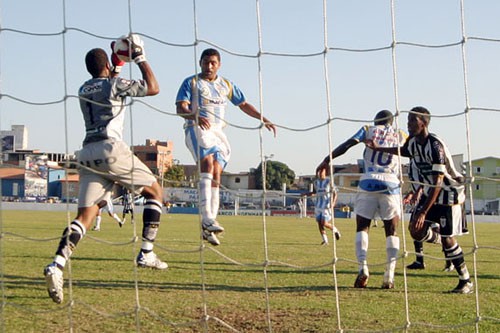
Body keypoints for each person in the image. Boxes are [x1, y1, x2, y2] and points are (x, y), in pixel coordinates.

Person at [43, 35, 167, 304]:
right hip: (111, 150)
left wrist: (117, 60)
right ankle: (146, 252)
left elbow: (108, 79)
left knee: (85, 216)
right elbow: (154, 88)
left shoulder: (83, 88)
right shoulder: (113, 85)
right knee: (156, 190)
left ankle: (57, 265)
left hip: (87, 154)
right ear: (107, 68)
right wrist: (139, 57)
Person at [176, 48, 277, 246]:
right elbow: (180, 107)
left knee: (217, 172)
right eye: (206, 62)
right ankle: (206, 218)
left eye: (213, 62)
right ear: (200, 63)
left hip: (219, 133)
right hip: (196, 127)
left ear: (219, 64)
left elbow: (243, 104)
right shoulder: (192, 82)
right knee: (207, 164)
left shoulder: (226, 85)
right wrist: (193, 115)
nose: (209, 66)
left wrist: (262, 118)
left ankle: (209, 225)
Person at [366, 106, 472, 294]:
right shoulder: (413, 142)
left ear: (423, 123)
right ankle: (439, 239)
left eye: (412, 121)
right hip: (430, 193)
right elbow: (404, 151)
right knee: (415, 230)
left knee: (449, 239)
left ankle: (465, 281)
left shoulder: (435, 146)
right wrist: (378, 147)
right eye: (408, 120)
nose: (408, 124)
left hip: (448, 195)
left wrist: (423, 210)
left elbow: (438, 182)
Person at [316, 110, 405, 289]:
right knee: (391, 230)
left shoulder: (367, 129)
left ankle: (363, 267)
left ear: (375, 120)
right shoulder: (402, 134)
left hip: (368, 181)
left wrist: (327, 160)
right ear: (391, 121)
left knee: (362, 227)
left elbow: (348, 144)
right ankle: (389, 274)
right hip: (391, 183)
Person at [303, 168, 341, 245]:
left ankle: (336, 230)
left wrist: (333, 203)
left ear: (325, 172)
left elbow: (335, 193)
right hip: (318, 205)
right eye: (319, 172)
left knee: (324, 223)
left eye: (321, 172)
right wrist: (306, 194)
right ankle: (325, 240)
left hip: (326, 206)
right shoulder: (316, 182)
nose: (320, 174)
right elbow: (314, 192)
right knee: (319, 224)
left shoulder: (329, 181)